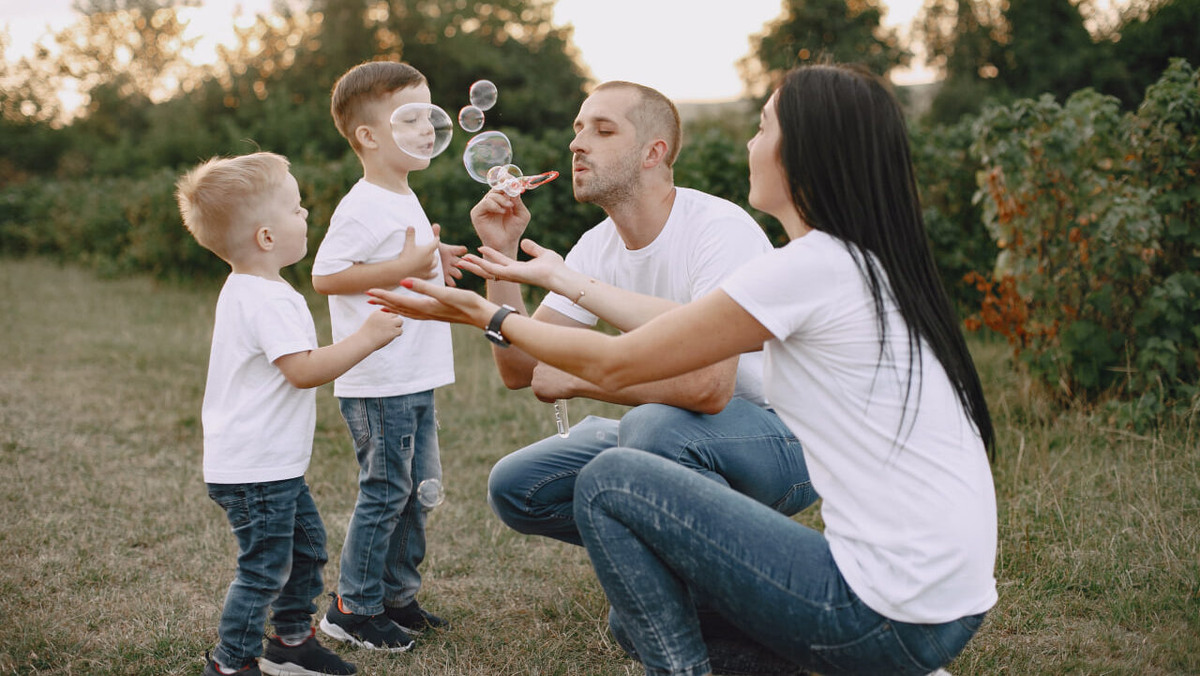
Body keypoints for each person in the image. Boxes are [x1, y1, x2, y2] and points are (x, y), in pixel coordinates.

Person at [368, 62, 999, 676]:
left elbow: (644, 367)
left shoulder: (797, 263)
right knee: (634, 615)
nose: (750, 144)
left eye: (762, 128)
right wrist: (531, 272)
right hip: (929, 609)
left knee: (615, 477)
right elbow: (568, 356)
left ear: (806, 153)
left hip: (885, 613)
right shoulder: (842, 260)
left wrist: (484, 314)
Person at [466, 80, 817, 550]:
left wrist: (582, 378)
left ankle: (722, 566)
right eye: (578, 128)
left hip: (784, 437)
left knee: (652, 426)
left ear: (653, 153)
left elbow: (709, 388)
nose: (576, 143)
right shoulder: (596, 245)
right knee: (517, 485)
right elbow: (522, 368)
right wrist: (500, 252)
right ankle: (672, 549)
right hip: (673, 432)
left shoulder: (718, 229)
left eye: (603, 130)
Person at [176, 151, 406, 676]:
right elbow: (302, 370)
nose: (305, 215)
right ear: (266, 237)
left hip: (268, 465)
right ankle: (231, 663)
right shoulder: (266, 300)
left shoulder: (256, 289)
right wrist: (366, 338)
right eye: (296, 208)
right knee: (265, 568)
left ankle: (292, 643)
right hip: (256, 469)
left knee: (305, 551)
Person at [310, 60, 465, 653]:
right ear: (368, 136)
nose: (427, 128)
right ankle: (352, 608)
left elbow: (396, 261)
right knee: (386, 491)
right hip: (380, 378)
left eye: (429, 115)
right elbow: (327, 275)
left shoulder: (402, 193)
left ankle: (397, 597)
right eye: (411, 117)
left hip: (414, 372)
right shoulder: (363, 203)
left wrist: (432, 260)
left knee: (417, 490)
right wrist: (402, 266)